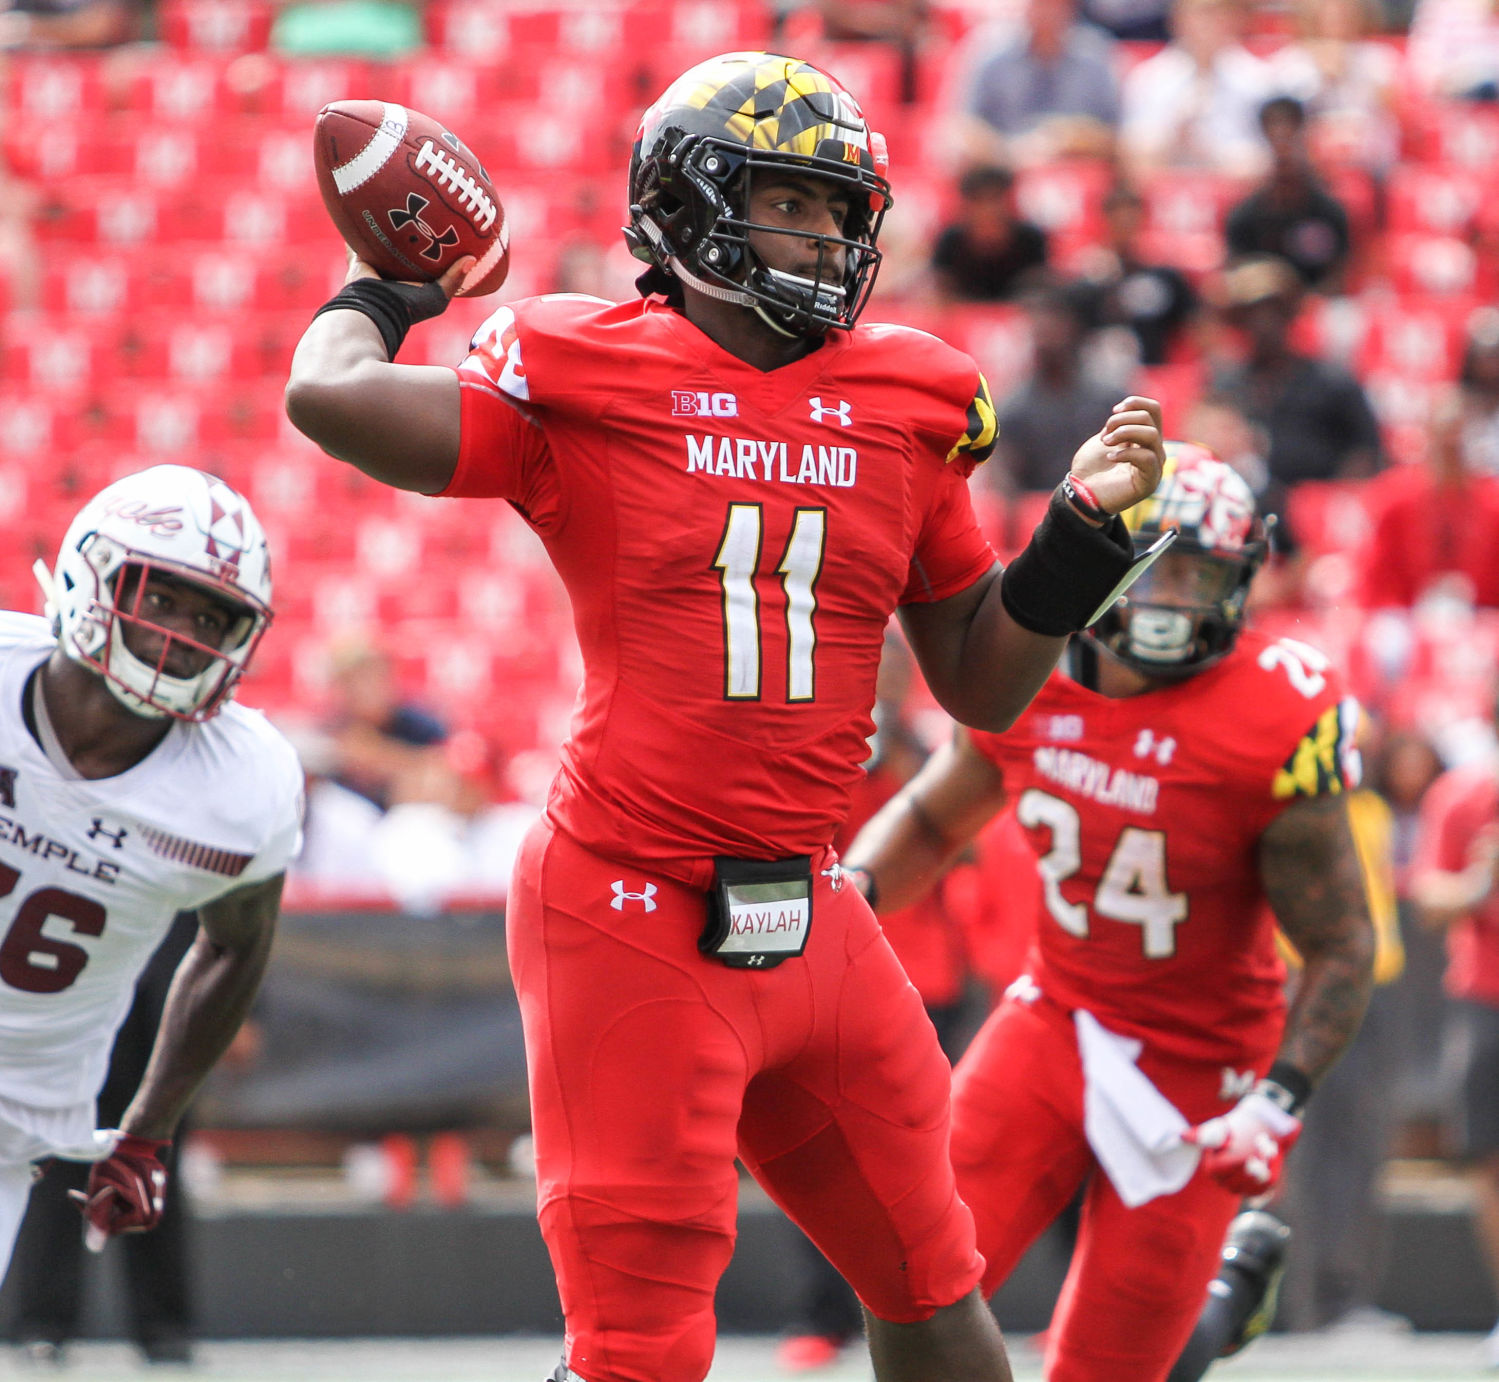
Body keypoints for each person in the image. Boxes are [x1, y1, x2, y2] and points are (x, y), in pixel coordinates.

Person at [285, 49, 1167, 1382]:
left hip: (814, 912)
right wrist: (387, 291)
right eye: (787, 200)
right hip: (626, 912)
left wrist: (1078, 546)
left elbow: (978, 680)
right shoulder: (582, 369)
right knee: (640, 1348)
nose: (822, 235)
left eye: (835, 210)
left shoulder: (909, 401)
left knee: (934, 1281)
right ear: (686, 204)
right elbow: (327, 395)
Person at [843, 444, 1377, 1381]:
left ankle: (1224, 1295)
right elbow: (933, 816)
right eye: (1156, 566)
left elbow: (1340, 944)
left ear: (1241, 575)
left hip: (1199, 1061)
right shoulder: (1030, 671)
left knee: (1111, 1368)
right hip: (1056, 1013)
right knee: (910, 1268)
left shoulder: (1272, 714)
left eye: (1200, 573)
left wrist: (1276, 1101)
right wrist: (852, 898)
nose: (1173, 599)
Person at [0, 464, 301, 1283]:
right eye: (161, 598)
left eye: (211, 615)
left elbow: (238, 945)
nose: (182, 633)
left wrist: (148, 1128)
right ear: (89, 574)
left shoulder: (240, 788)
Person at [8, 914, 200, 1368]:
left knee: (153, 1172)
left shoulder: (192, 848)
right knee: (53, 1172)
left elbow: (231, 920)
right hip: (78, 1022)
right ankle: (42, 1324)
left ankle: (164, 1329)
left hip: (159, 1022)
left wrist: (246, 1011)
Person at [1409, 704, 1499, 1369]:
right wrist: (1481, 880)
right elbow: (1429, 899)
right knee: (1488, 1161)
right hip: (1484, 998)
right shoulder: (1464, 794)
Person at [1208, 254, 1384, 499]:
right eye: (1253, 313)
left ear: (1290, 314)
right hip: (1241, 506)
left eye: (1274, 311)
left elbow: (1366, 451)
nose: (1264, 322)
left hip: (1318, 510)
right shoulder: (1226, 383)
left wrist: (1331, 499)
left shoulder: (1332, 381)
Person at [946, 0, 1121, 170]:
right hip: (1002, 168)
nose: (1047, 10)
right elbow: (962, 126)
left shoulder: (1095, 54)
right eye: (1040, 2)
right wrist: (1012, 153)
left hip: (1076, 169)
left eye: (1057, 3)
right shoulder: (989, 50)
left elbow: (1116, 134)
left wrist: (1069, 138)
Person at [994, 277, 1129, 494]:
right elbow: (1006, 486)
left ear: (1075, 329)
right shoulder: (1013, 408)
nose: (1046, 334)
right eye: (1040, 326)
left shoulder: (1110, 399)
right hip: (1041, 518)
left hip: (1101, 507)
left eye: (1055, 322)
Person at [1119, 0, 1277, 180]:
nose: (1209, 24)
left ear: (1234, 20)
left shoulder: (1259, 80)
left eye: (1219, 14)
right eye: (1202, 14)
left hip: (1238, 194)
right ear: (1177, 19)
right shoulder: (1149, 77)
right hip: (1169, 193)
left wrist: (1212, 154)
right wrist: (1174, 140)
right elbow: (1134, 159)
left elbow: (1270, 161)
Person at [1223, 96, 1353, 294]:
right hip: (1262, 304)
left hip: (1314, 304)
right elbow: (1237, 277)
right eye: (1280, 168)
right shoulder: (1244, 217)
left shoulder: (1328, 213)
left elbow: (1337, 276)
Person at [1073, 183, 1199, 368]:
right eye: (1118, 217)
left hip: (1153, 369)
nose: (1125, 224)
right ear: (1105, 219)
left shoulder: (1163, 275)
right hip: (1101, 372)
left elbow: (1191, 320)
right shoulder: (1087, 276)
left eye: (1131, 216)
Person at [930, 165, 1050, 303]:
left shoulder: (1030, 238)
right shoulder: (951, 240)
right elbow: (940, 287)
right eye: (979, 200)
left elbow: (1041, 287)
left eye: (995, 198)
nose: (988, 208)